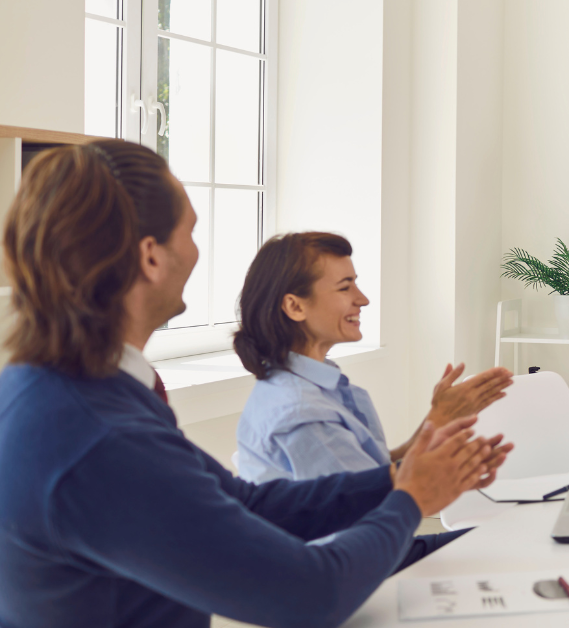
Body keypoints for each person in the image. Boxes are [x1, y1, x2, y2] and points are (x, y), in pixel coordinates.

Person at [0, 140, 507, 628]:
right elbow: (310, 594)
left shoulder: (61, 386)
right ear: (150, 256)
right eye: (191, 232)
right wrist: (412, 498)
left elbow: (246, 503)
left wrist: (396, 480)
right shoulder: (99, 438)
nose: (197, 253)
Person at [233, 231, 514, 483]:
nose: (363, 299)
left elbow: (375, 472)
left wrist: (438, 420)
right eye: (345, 287)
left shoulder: (316, 385)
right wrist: (449, 464)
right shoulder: (301, 414)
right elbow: (368, 505)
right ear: (294, 306)